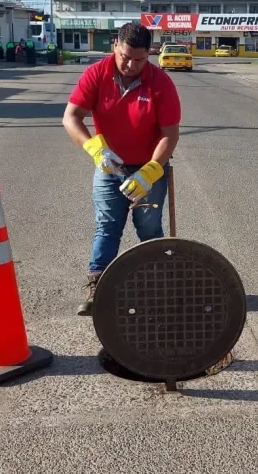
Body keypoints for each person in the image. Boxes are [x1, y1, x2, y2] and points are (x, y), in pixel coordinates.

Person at [62, 22, 182, 316]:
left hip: (148, 167)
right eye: (125, 56)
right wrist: (94, 149)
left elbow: (170, 133)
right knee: (108, 226)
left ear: (149, 55)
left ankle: (161, 285)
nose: (130, 65)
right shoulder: (97, 74)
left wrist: (152, 170)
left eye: (139, 59)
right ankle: (97, 286)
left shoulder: (160, 83)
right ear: (115, 45)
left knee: (149, 228)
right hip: (110, 167)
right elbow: (71, 117)